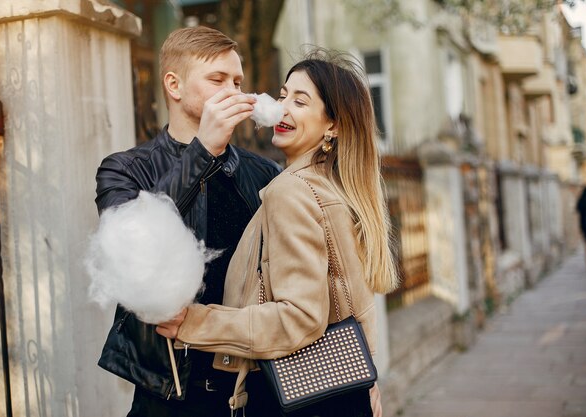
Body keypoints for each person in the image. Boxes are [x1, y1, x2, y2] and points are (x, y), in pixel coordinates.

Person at [157, 49, 399, 417]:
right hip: (342, 393)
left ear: (332, 125)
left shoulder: (292, 191)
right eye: (283, 96)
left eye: (300, 101)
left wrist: (191, 322)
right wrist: (366, 379)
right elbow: (350, 301)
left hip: (299, 400)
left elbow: (298, 319)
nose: (282, 108)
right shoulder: (335, 188)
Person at [94, 26, 281, 417]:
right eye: (217, 79)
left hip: (255, 389)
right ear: (174, 86)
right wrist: (202, 152)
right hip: (169, 396)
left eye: (238, 81)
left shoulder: (264, 173)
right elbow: (132, 249)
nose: (234, 92)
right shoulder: (124, 170)